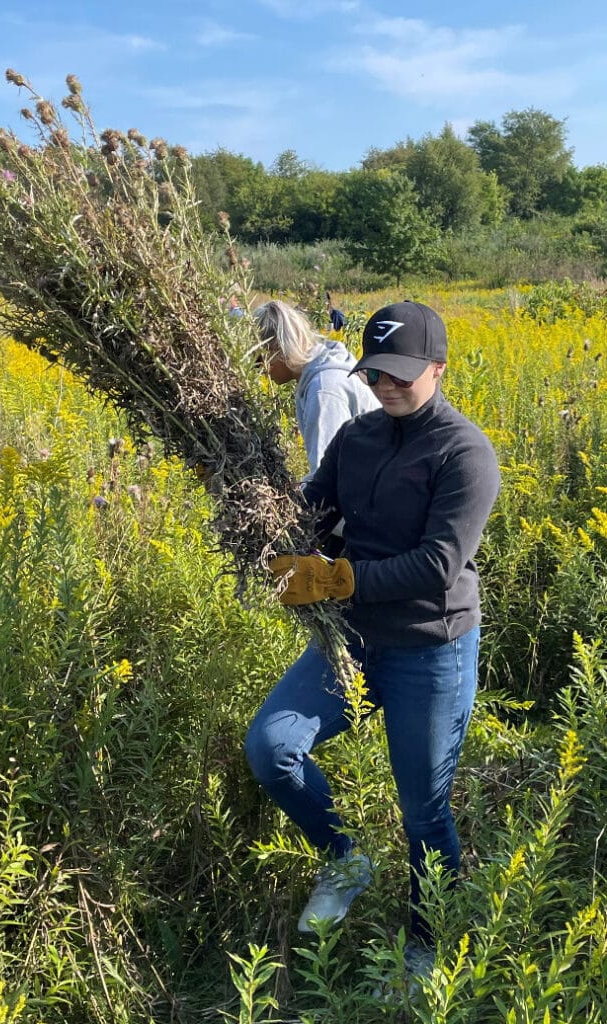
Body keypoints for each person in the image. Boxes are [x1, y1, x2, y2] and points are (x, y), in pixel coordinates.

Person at [245, 300, 500, 982]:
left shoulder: (465, 453)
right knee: (272, 747)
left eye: (403, 375)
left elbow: (436, 565)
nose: (389, 386)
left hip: (429, 647)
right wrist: (270, 535)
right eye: (378, 373)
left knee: (424, 811)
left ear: (438, 369)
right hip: (355, 640)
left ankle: (427, 942)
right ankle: (345, 857)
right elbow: (317, 509)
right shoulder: (356, 439)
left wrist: (335, 580)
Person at [252, 300, 378, 481]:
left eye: (258, 360)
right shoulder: (323, 372)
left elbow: (325, 478)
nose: (261, 370)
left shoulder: (324, 390)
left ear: (278, 349)